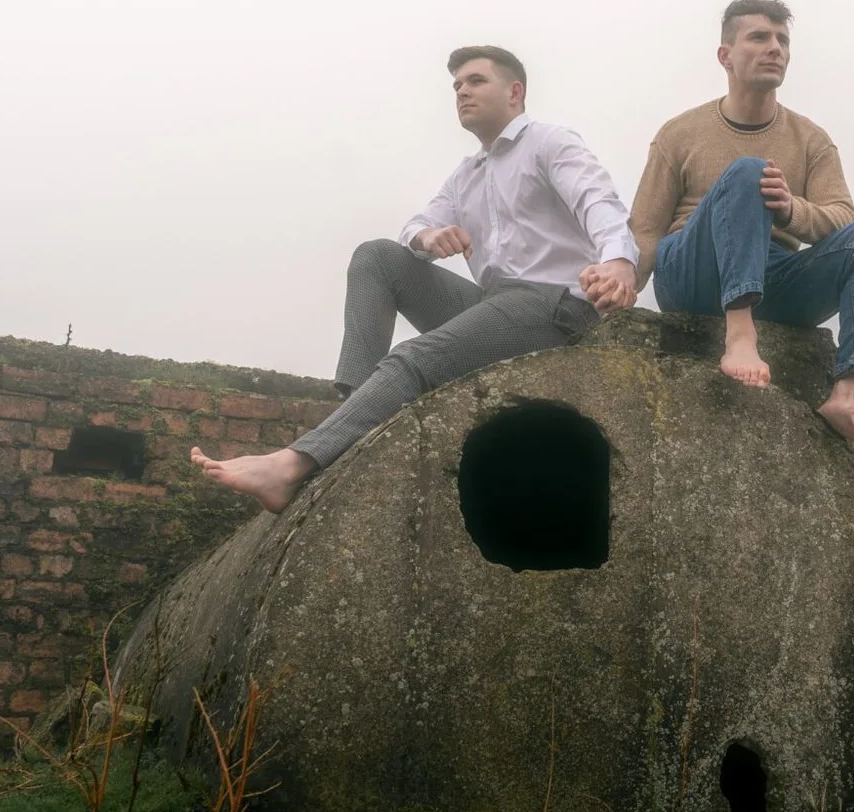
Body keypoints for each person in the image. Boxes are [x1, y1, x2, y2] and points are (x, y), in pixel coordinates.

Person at [192, 46, 638, 512]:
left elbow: (597, 200)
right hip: (496, 306)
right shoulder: (466, 175)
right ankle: (352, 412)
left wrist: (618, 262)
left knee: (412, 357)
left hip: (556, 307)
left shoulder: (550, 142)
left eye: (475, 80)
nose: (462, 91)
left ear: (515, 91)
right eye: (456, 86)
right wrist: (428, 237)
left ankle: (290, 466)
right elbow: (414, 227)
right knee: (377, 257)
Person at [625, 0, 854, 445]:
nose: (775, 48)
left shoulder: (812, 139)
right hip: (693, 269)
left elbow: (843, 220)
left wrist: (792, 210)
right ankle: (739, 335)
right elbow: (645, 229)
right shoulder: (679, 132)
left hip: (772, 272)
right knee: (749, 170)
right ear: (726, 55)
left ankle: (845, 393)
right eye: (759, 37)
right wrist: (623, 283)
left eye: (783, 40)